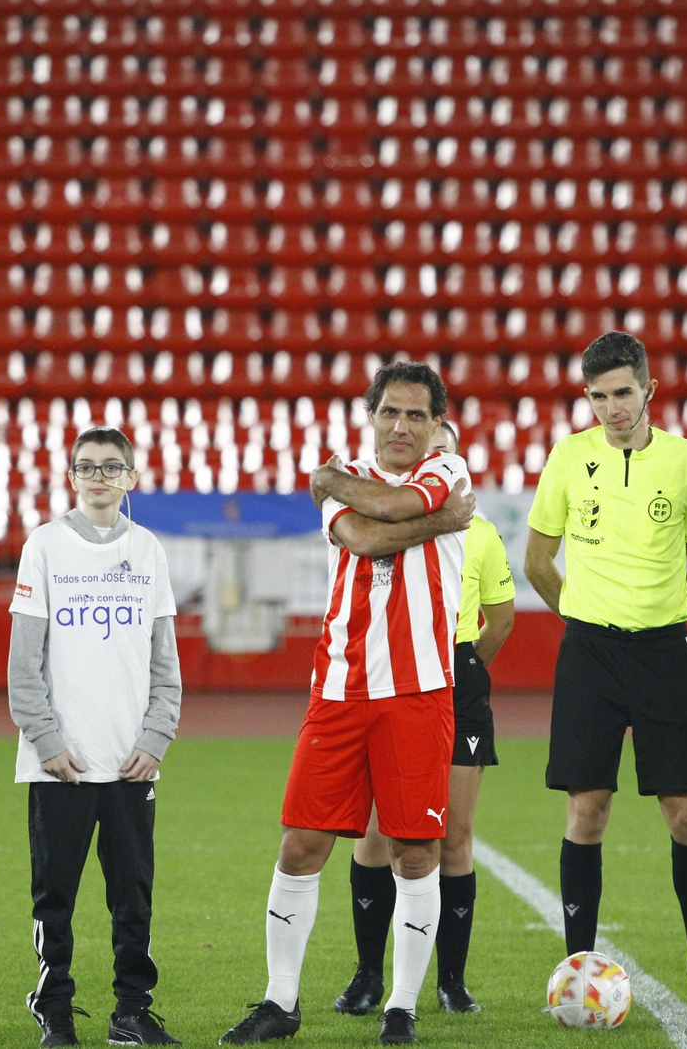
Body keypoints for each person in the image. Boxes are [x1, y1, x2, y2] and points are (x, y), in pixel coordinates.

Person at [220, 362, 474, 1048]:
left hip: (419, 692)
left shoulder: (448, 472)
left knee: (414, 853)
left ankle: (401, 1008)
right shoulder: (382, 481)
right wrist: (443, 524)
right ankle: (280, 1002)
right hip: (338, 689)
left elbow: (385, 515)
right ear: (371, 415)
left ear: (436, 424)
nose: (401, 425)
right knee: (301, 845)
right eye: (389, 411)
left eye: (416, 415)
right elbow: (361, 537)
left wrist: (336, 486)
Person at [522, 331, 687, 1011]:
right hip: (589, 652)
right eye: (599, 396)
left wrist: (655, 614)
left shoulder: (686, 462)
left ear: (648, 390)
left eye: (623, 393)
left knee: (684, 813)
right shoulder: (568, 457)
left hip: (661, 653)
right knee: (586, 811)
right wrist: (588, 614)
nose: (612, 407)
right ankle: (577, 968)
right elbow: (537, 560)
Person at [8, 427, 183, 1048]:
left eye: (113, 468)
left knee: (133, 899)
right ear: (71, 477)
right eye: (88, 467)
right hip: (62, 763)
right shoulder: (45, 546)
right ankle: (54, 1007)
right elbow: (22, 667)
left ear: (132, 478)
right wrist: (49, 742)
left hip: (132, 762)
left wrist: (157, 738)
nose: (100, 477)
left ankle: (132, 1012)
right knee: (54, 897)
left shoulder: (150, 550)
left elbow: (166, 665)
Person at [334, 419, 515, 1017]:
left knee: (453, 836)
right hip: (390, 675)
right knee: (378, 834)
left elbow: (502, 615)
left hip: (455, 678)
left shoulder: (482, 534)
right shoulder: (382, 517)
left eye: (445, 453)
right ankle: (366, 975)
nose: (433, 461)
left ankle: (451, 980)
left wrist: (465, 668)